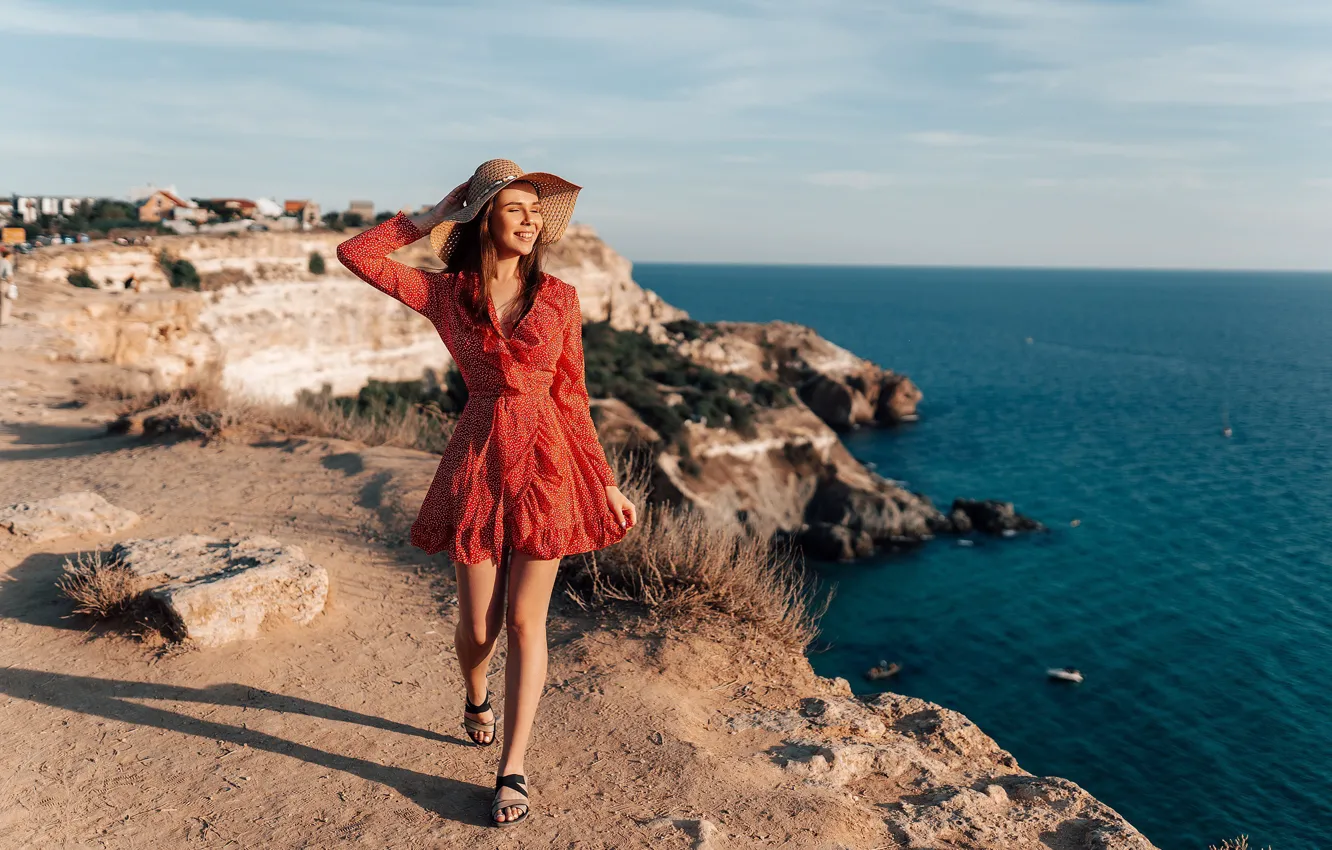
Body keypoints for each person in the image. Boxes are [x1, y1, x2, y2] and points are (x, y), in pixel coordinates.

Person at [336, 159, 637, 829]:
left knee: (527, 622)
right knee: (479, 627)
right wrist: (432, 215)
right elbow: (356, 254)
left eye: (537, 211)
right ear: (484, 219)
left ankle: (512, 767)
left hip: (548, 463)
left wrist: (606, 480)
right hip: (478, 457)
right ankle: (476, 694)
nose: (532, 221)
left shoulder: (560, 297)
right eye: (515, 209)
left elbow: (572, 395)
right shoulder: (446, 295)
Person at [0, 248, 15, 327]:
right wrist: (12, 283)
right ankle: (3, 321)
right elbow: (9, 276)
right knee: (6, 303)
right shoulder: (7, 263)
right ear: (8, 255)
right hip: (4, 284)